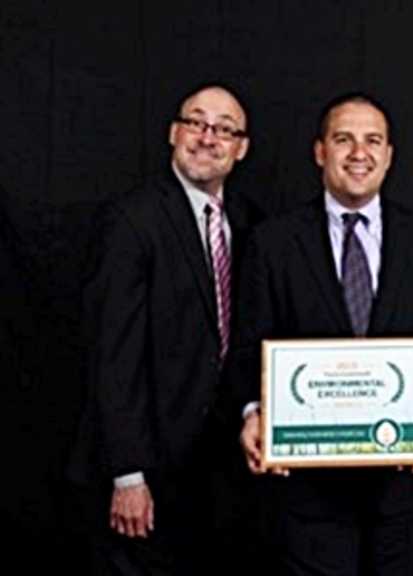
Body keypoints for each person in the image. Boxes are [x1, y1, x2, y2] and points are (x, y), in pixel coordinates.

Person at [236, 93, 413, 576]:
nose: (360, 153)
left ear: (389, 155)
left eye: (372, 140)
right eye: (344, 140)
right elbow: (248, 346)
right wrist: (254, 414)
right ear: (320, 151)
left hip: (400, 479)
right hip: (308, 489)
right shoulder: (273, 242)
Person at [67, 84, 264, 575]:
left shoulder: (247, 222)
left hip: (214, 468)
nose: (206, 137)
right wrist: (127, 474)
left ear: (241, 148)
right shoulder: (132, 220)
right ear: (174, 133)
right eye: (196, 123)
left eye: (223, 129)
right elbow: (112, 352)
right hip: (146, 468)